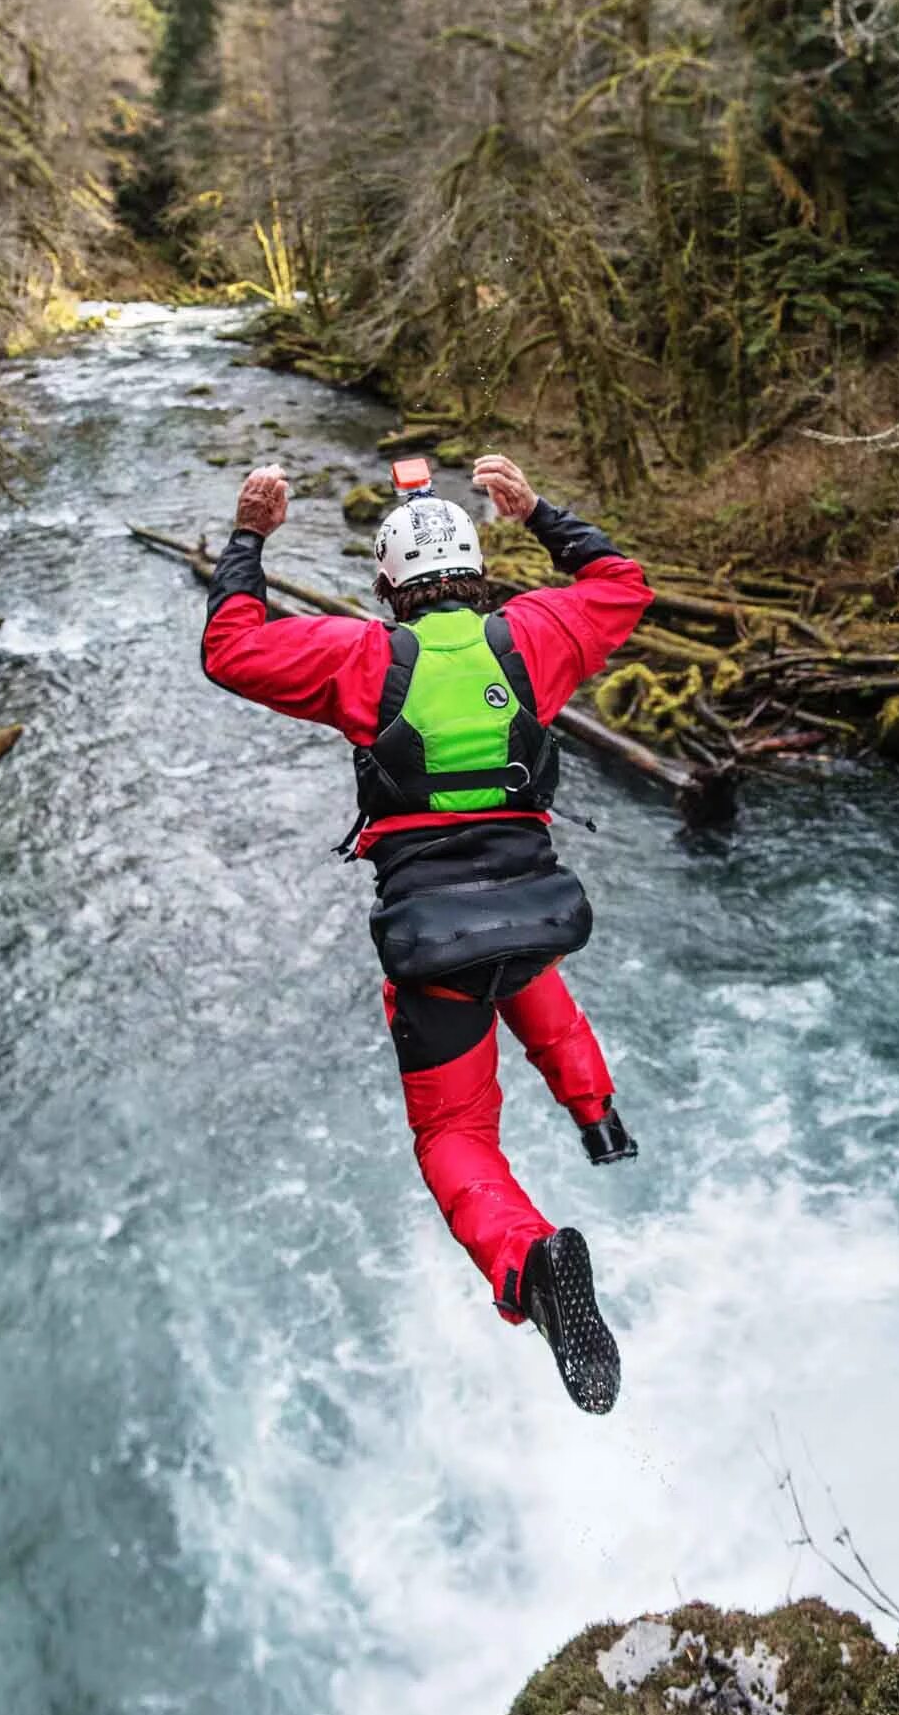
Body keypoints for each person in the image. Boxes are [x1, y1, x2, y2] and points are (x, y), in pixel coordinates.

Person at [202, 452, 649, 1412]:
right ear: (479, 573)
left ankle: (532, 1265)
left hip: (433, 946)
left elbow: (230, 648)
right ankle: (600, 1121)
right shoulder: (537, 637)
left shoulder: (359, 658)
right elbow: (621, 583)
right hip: (537, 913)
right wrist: (541, 513)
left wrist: (249, 536)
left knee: (454, 1131)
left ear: (385, 588)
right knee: (523, 971)